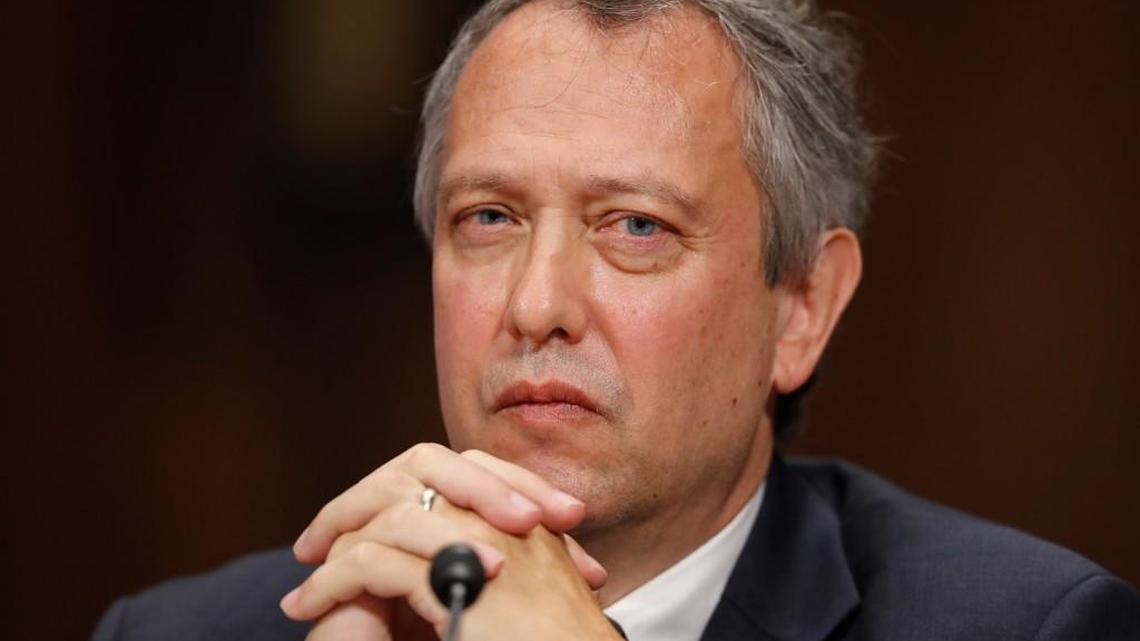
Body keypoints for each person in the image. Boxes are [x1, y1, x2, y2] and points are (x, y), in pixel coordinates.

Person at [92, 1, 1140, 640]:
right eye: (489, 218)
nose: (537, 305)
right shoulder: (188, 634)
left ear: (804, 307)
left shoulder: (1025, 628)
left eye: (635, 226)